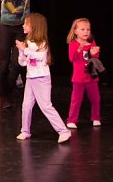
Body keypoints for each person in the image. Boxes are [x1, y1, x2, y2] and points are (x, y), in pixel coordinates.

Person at [15, 13, 71, 143]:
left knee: (45, 106)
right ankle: (25, 130)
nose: (23, 26)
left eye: (26, 24)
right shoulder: (28, 43)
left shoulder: (42, 43)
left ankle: (63, 131)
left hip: (41, 78)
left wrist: (25, 50)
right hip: (30, 78)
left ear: (34, 26)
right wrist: (21, 51)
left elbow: (39, 57)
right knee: (26, 105)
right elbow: (23, 63)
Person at [66, 18, 102, 128]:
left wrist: (94, 53)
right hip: (78, 77)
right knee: (76, 100)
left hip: (91, 76)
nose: (86, 32)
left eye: (88, 29)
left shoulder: (91, 42)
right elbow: (72, 58)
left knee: (95, 99)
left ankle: (96, 118)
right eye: (82, 29)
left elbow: (95, 59)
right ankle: (71, 120)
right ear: (75, 31)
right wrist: (79, 49)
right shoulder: (73, 44)